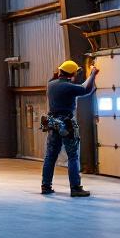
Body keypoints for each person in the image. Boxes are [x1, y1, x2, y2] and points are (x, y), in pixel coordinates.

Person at [42, 60, 98, 197]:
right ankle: (75, 188)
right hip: (67, 124)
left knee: (50, 156)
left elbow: (61, 78)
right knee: (73, 156)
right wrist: (92, 74)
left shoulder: (50, 84)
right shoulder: (68, 87)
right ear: (72, 74)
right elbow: (86, 89)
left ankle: (46, 186)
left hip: (53, 123)